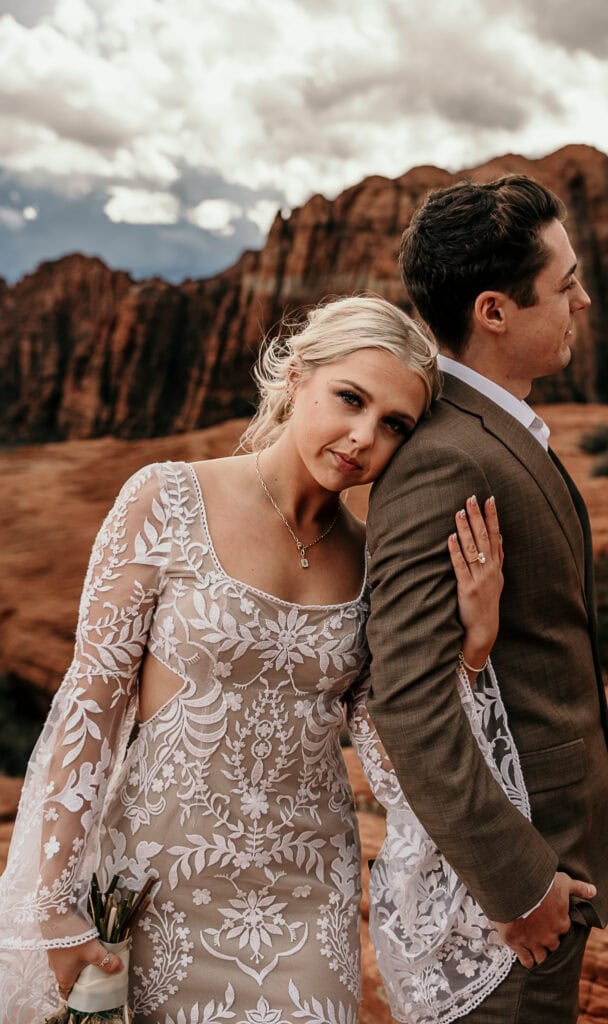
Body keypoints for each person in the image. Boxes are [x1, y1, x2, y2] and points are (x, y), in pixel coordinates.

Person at [0, 295, 503, 1024]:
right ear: (296, 376)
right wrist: (54, 903)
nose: (363, 436)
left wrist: (471, 650)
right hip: (151, 886)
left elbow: (392, 752)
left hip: (306, 897)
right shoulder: (165, 498)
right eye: (350, 399)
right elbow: (90, 704)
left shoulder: (374, 562)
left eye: (394, 425)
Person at [363, 177, 608, 1023]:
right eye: (564, 282)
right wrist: (517, 885)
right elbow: (406, 698)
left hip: (552, 871)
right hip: (514, 901)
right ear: (493, 311)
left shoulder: (494, 429)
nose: (581, 298)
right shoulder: (448, 458)